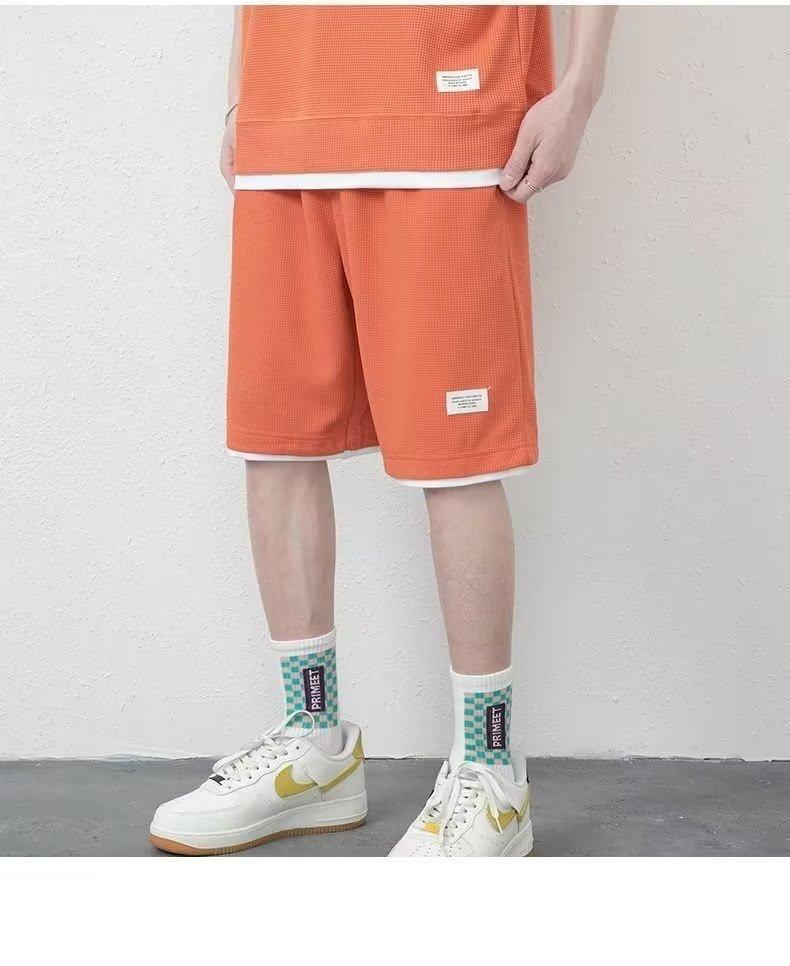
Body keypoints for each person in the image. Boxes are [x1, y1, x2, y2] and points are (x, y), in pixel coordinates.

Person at [149, 4, 616, 857]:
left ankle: (491, 773)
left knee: (456, 459)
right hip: (286, 122)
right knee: (275, 444)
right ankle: (314, 744)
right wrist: (241, 95)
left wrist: (580, 90)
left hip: (445, 120)